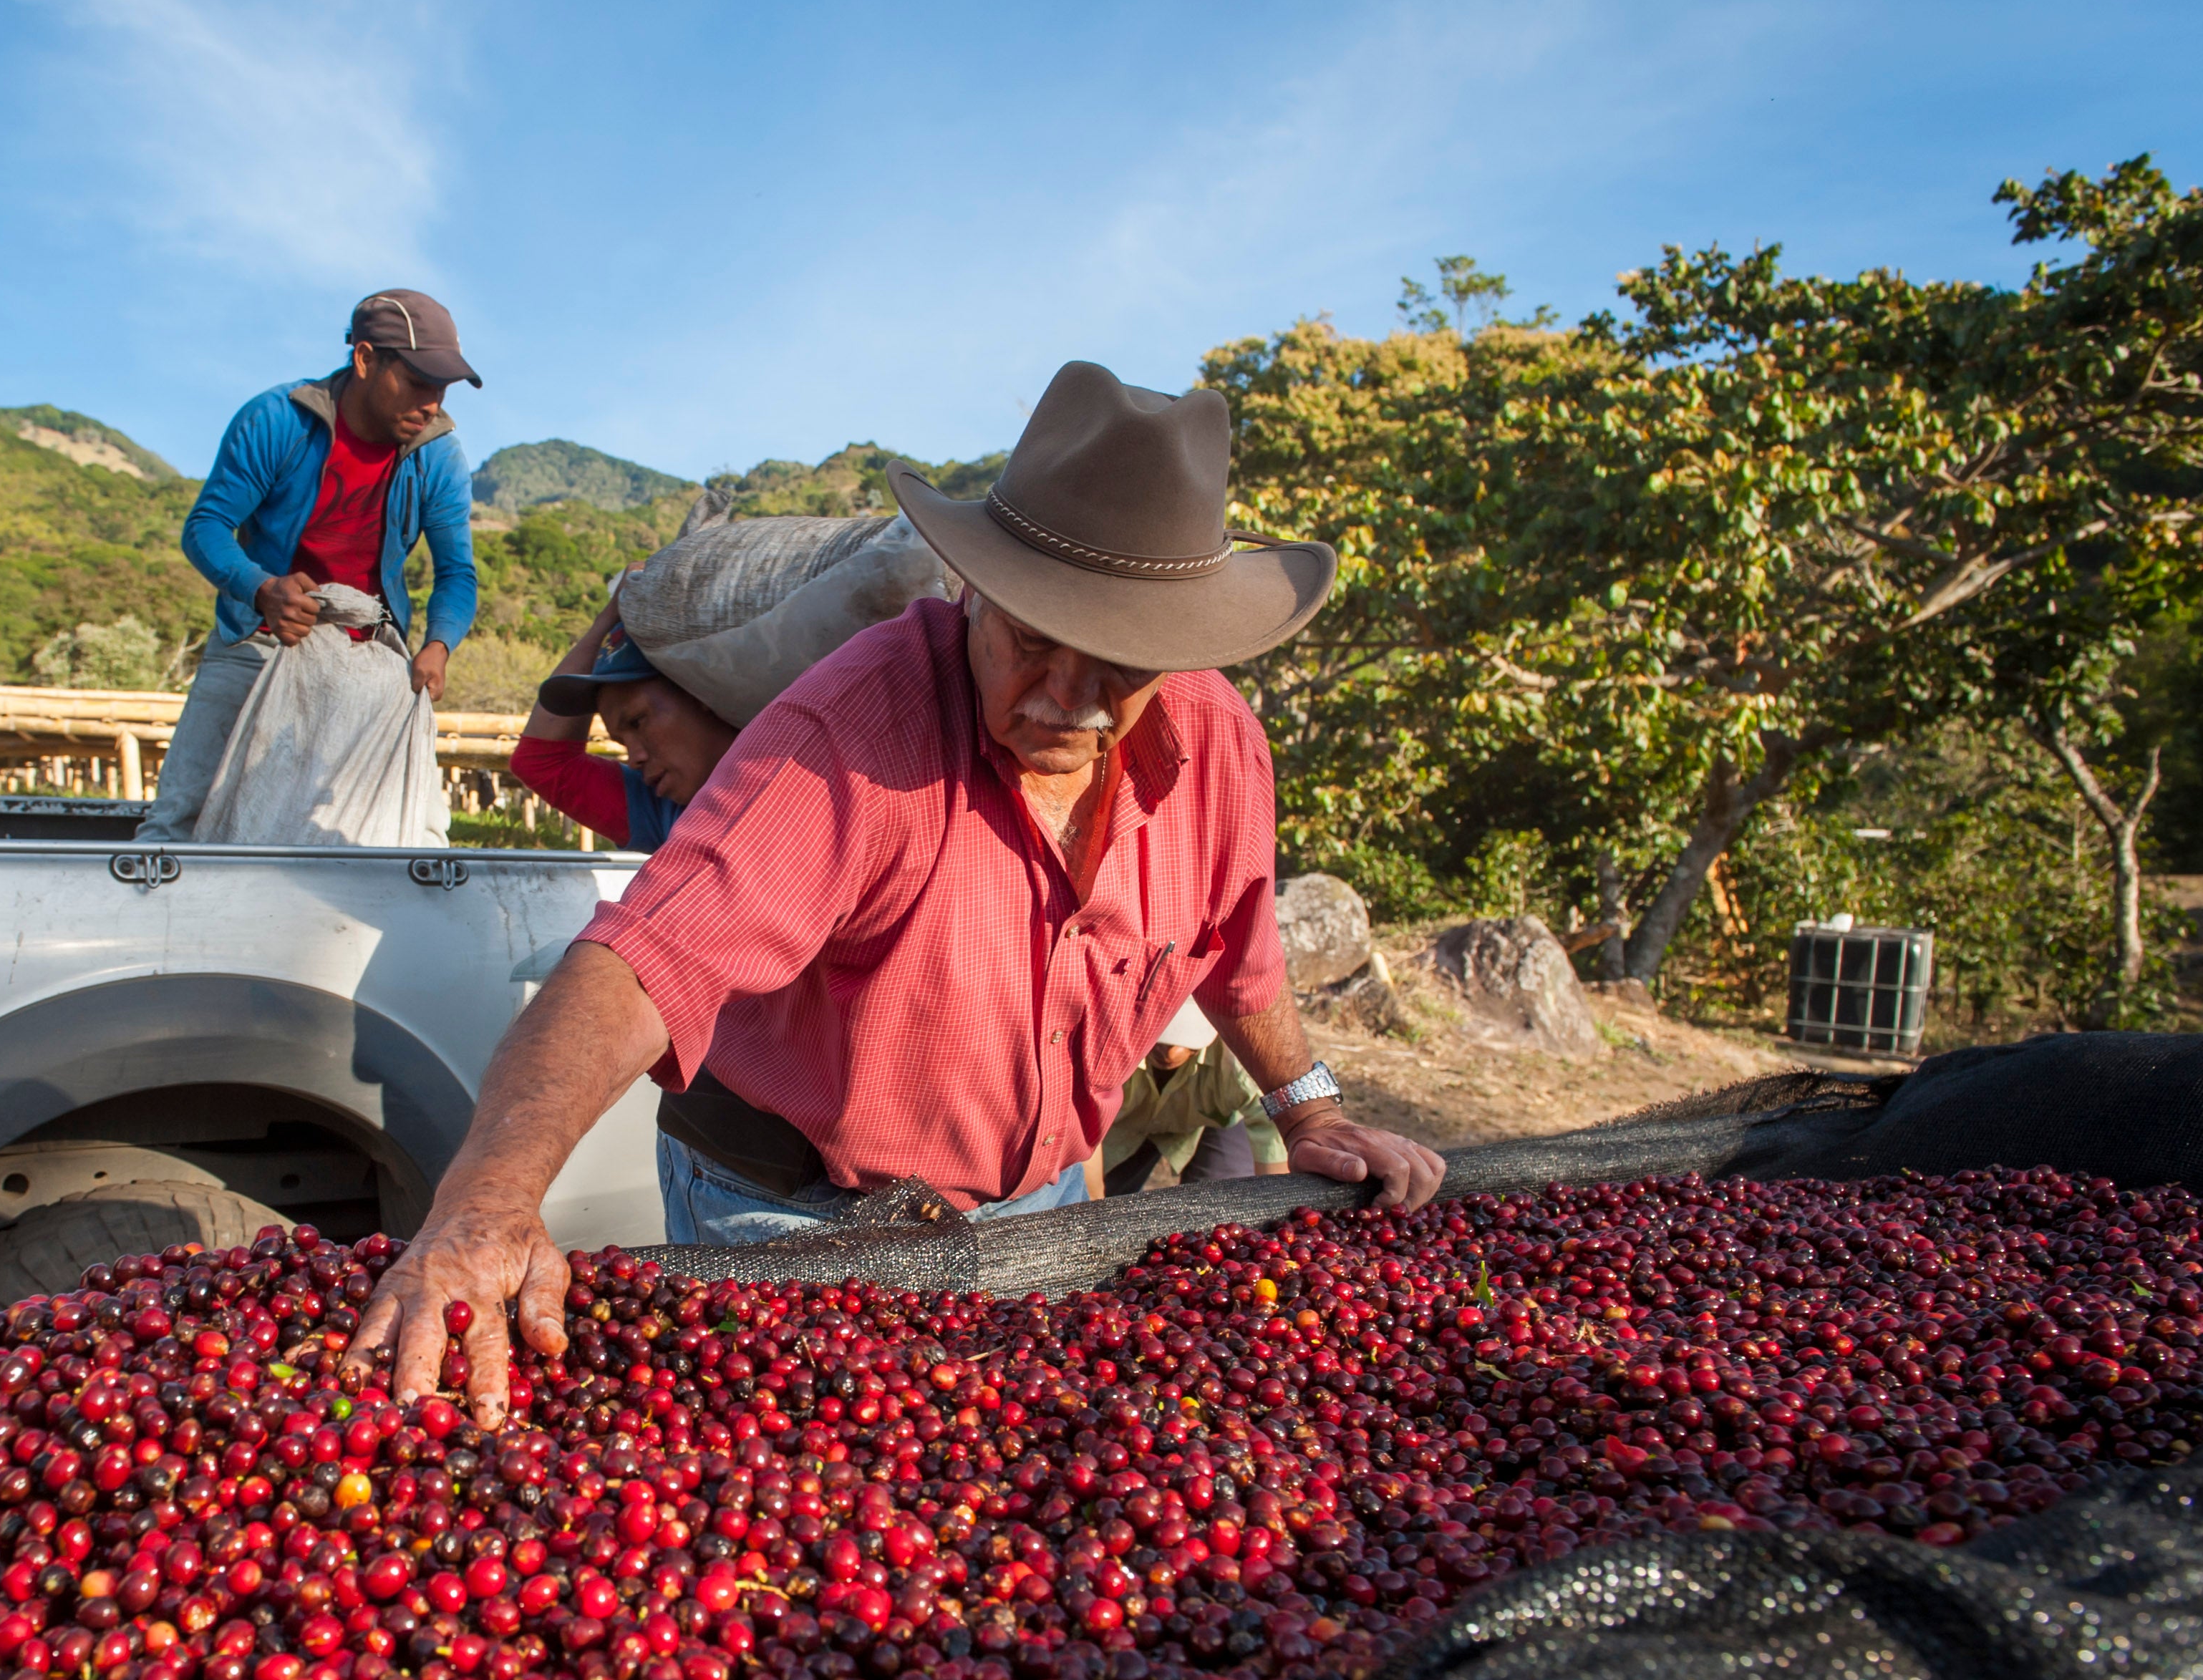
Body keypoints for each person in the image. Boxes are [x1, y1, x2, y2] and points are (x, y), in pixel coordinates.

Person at [344, 362, 1449, 1423]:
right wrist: (489, 1199)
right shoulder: (852, 729)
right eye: (1034, 642)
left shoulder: (1221, 748)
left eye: (1117, 665)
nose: (1067, 700)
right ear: (975, 589)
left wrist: (1313, 1113)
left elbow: (1238, 949)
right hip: (789, 1207)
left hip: (1040, 1204)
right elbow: (645, 961)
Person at [137, 293, 483, 843]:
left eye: (442, 389)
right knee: (180, 820)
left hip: (367, 653)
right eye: (419, 383)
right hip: (263, 636)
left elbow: (457, 574)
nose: (432, 404)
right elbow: (206, 527)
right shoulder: (278, 420)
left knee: (420, 833)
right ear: (366, 359)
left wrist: (439, 645)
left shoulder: (437, 453)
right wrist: (261, 588)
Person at [511, 597, 737, 848]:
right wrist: (608, 617)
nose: (633, 759)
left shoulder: (787, 764)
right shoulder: (660, 809)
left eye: (638, 722)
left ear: (698, 689)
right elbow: (542, 762)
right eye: (621, 742)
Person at [1095, 1001, 1287, 1195]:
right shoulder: (1108, 1051)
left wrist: (1277, 1205)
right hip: (1127, 1127)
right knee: (1112, 1198)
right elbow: (1082, 1126)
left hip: (1216, 1121)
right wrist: (1095, 1198)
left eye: (1180, 1042)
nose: (1167, 1052)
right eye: (1160, 1041)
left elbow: (1270, 1126)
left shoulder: (1236, 1061)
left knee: (1220, 1201)